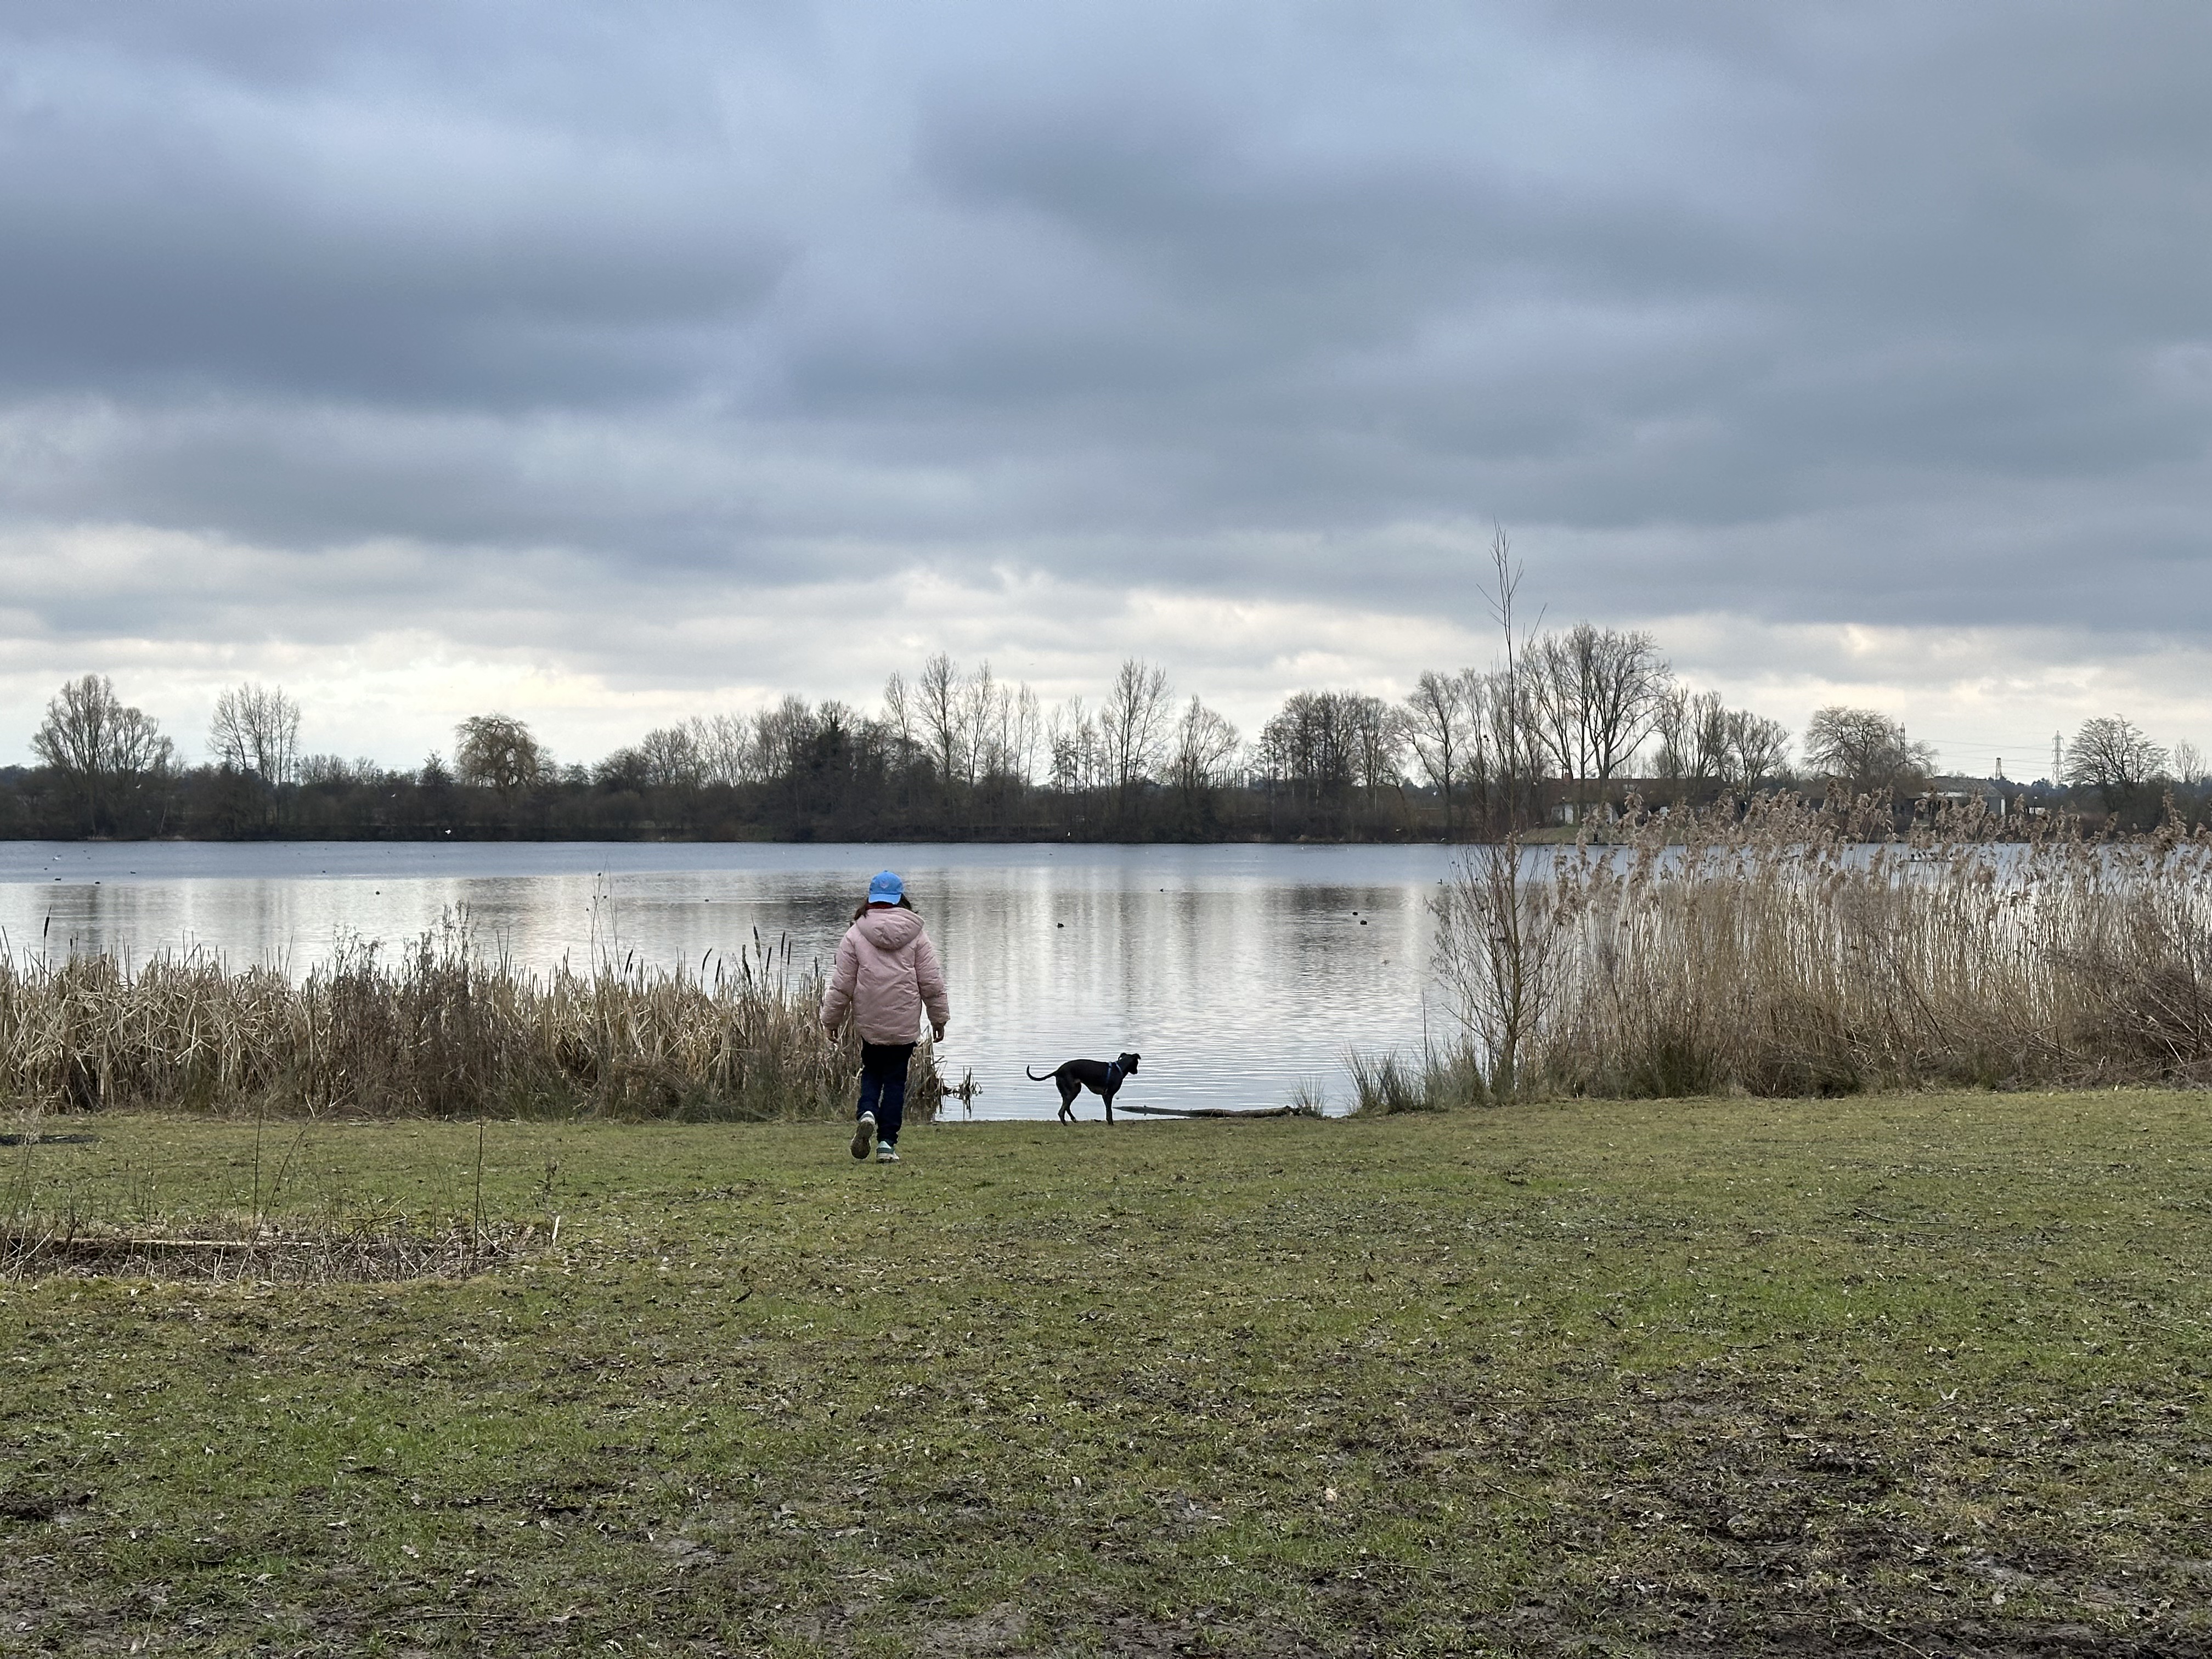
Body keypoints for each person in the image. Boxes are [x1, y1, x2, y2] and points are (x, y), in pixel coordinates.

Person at [820, 870, 949, 1164]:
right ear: (900, 899)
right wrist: (938, 1019)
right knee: (895, 1082)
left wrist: (831, 1021)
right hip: (904, 1022)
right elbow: (931, 982)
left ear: (872, 898)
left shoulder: (855, 934)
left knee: (872, 1071)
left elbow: (842, 984)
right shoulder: (917, 935)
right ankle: (886, 1145)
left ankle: (867, 1112)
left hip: (870, 1020)